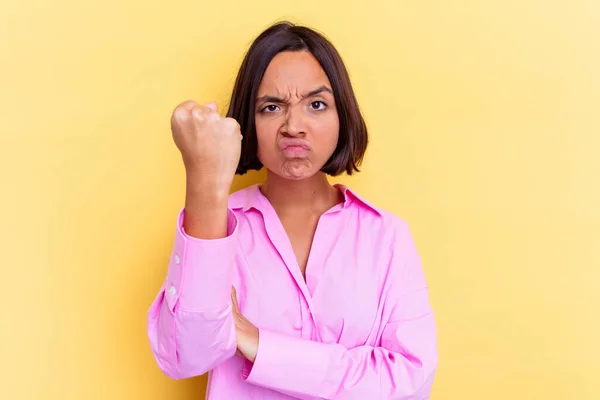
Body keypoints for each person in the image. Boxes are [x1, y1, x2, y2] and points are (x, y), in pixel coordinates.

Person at [147, 21, 438, 399]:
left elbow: (410, 385)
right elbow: (184, 357)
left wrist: (254, 341)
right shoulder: (215, 227)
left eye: (316, 104)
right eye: (272, 107)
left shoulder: (386, 236)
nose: (294, 126)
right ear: (247, 122)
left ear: (342, 115)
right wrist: (203, 178)